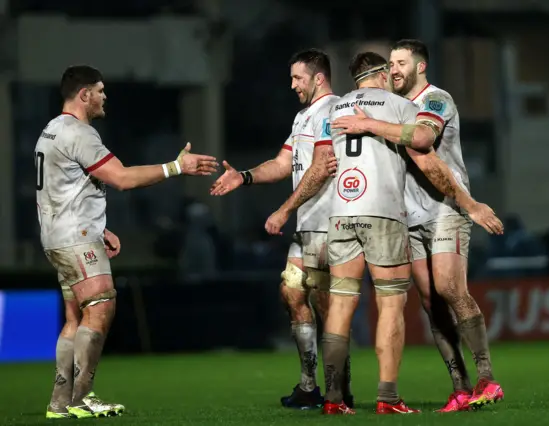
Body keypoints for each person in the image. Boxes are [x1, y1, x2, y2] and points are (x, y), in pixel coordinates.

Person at [331, 39, 505, 411]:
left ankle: (488, 379)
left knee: (449, 288)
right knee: (429, 302)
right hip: (406, 216)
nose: (393, 69)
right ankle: (459, 387)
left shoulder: (435, 99)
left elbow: (424, 139)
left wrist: (367, 124)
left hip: (445, 208)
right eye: (390, 63)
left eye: (401, 63)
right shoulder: (395, 107)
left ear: (420, 67)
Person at [37, 65, 217, 419]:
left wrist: (99, 227)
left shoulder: (51, 130)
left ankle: (60, 403)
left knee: (75, 316)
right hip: (76, 239)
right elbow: (121, 178)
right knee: (101, 306)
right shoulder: (79, 133)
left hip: (58, 235)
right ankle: (81, 398)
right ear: (84, 94)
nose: (105, 96)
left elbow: (60, 189)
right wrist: (176, 167)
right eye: (100, 90)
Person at [210, 49, 353, 410]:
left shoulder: (331, 111)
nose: (292, 85)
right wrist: (243, 177)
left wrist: (284, 209)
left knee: (324, 305)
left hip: (327, 224)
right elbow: (281, 164)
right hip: (308, 226)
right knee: (291, 293)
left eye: (297, 78)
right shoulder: (303, 116)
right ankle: (309, 385)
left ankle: (339, 388)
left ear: (318, 77)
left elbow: (322, 167)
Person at [319, 51, 423, 416]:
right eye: (389, 72)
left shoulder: (336, 108)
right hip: (382, 212)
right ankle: (388, 398)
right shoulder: (397, 104)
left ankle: (332, 399)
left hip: (341, 213)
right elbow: (422, 140)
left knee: (341, 304)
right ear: (379, 74)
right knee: (391, 303)